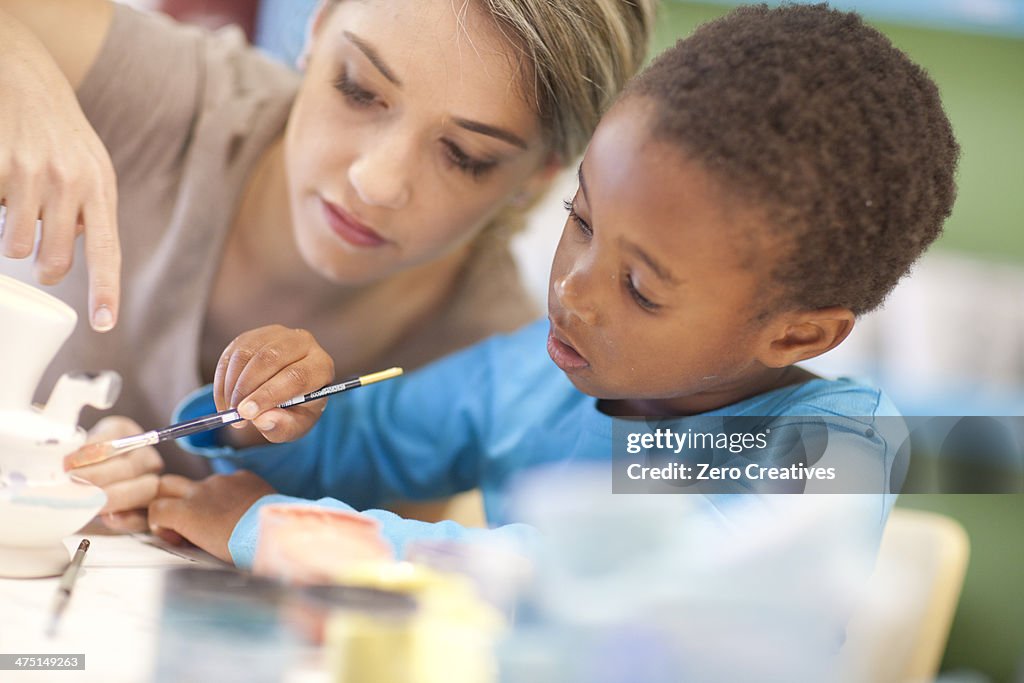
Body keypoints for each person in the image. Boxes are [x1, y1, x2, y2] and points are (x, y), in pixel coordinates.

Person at [138, 2, 959, 564]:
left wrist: (274, 531)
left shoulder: (833, 447)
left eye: (640, 285)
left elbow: (574, 581)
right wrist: (268, 414)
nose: (572, 289)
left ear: (796, 334)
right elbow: (357, 451)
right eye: (582, 220)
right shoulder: (533, 373)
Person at [0, 0, 655, 528]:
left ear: (534, 179)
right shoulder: (162, 94)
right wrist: (19, 67)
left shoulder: (491, 361)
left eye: (463, 155)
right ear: (315, 27)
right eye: (360, 89)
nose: (377, 181)